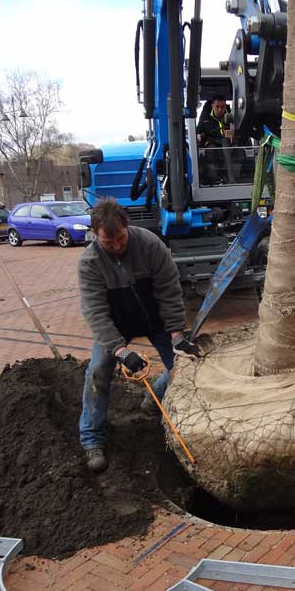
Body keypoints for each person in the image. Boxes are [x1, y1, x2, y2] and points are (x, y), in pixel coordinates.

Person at [78, 199, 201, 472]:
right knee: (97, 371)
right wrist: (120, 352)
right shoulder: (90, 262)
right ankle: (91, 439)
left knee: (184, 366)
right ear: (96, 234)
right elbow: (96, 313)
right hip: (116, 324)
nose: (117, 246)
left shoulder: (150, 244)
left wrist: (177, 334)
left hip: (155, 319)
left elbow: (169, 291)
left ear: (126, 226)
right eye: (108, 243)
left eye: (120, 238)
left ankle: (153, 399)